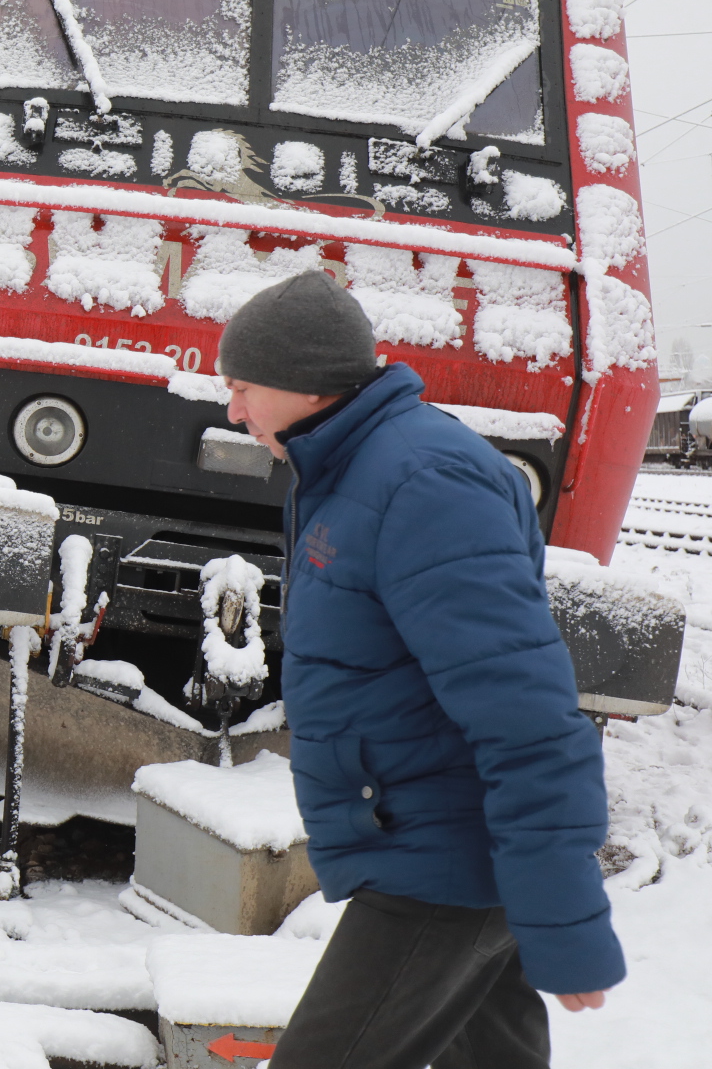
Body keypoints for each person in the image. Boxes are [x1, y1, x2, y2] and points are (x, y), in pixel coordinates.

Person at [216, 270, 622, 1069]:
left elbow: (525, 706)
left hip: (441, 864)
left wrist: (564, 909)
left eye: (242, 386)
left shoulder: (421, 482)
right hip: (434, 841)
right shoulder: (353, 468)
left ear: (305, 384)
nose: (232, 409)